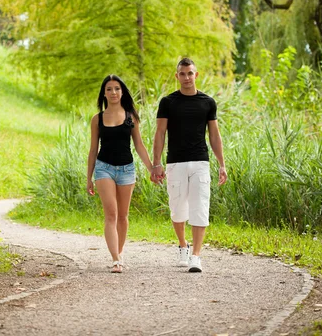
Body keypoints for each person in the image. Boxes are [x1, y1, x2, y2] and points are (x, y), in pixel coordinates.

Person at [151, 58, 227, 273]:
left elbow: (214, 135)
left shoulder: (207, 102)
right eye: (182, 74)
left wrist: (222, 164)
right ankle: (183, 245)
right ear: (177, 76)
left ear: (196, 75)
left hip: (201, 162)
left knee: (200, 208)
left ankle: (196, 256)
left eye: (190, 73)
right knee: (177, 210)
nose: (186, 78)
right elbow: (160, 133)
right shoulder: (168, 102)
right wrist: (156, 164)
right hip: (175, 162)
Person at [87, 75, 153, 273]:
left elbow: (139, 145)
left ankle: (120, 252)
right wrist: (88, 178)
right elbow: (92, 150)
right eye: (109, 89)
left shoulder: (131, 116)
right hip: (103, 168)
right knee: (111, 214)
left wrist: (152, 168)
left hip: (126, 169)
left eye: (117, 88)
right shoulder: (97, 119)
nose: (113, 92)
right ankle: (115, 259)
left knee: (123, 216)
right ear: (104, 93)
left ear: (122, 92)